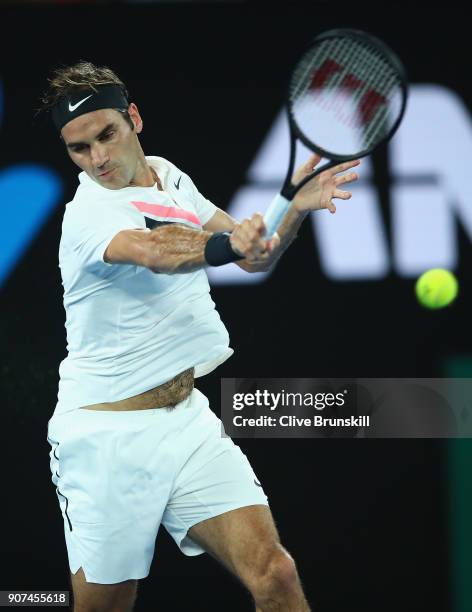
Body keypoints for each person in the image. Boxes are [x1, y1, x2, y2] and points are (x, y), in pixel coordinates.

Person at [41, 61, 359, 612]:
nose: (98, 159)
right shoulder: (87, 215)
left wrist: (294, 214)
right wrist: (230, 248)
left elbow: (254, 255)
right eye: (79, 148)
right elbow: (155, 251)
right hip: (106, 439)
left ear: (133, 118)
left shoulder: (168, 174)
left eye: (107, 135)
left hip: (185, 421)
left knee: (276, 574)